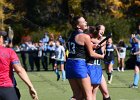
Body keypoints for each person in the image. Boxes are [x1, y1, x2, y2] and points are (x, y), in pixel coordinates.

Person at [66, 15, 104, 100]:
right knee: (88, 96)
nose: (86, 22)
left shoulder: (71, 35)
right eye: (83, 22)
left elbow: (76, 47)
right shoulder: (85, 36)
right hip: (79, 65)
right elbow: (92, 54)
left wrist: (92, 46)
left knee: (78, 96)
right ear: (78, 26)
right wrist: (102, 56)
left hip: (69, 65)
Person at [0, 31, 38, 100]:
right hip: (7, 90)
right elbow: (19, 70)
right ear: (1, 39)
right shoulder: (9, 51)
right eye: (2, 37)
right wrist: (31, 87)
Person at [87, 25, 111, 100]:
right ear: (97, 30)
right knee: (91, 93)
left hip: (98, 68)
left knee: (105, 92)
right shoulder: (88, 39)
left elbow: (102, 42)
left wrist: (98, 44)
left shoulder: (103, 40)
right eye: (101, 29)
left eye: (104, 30)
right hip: (90, 67)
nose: (103, 32)